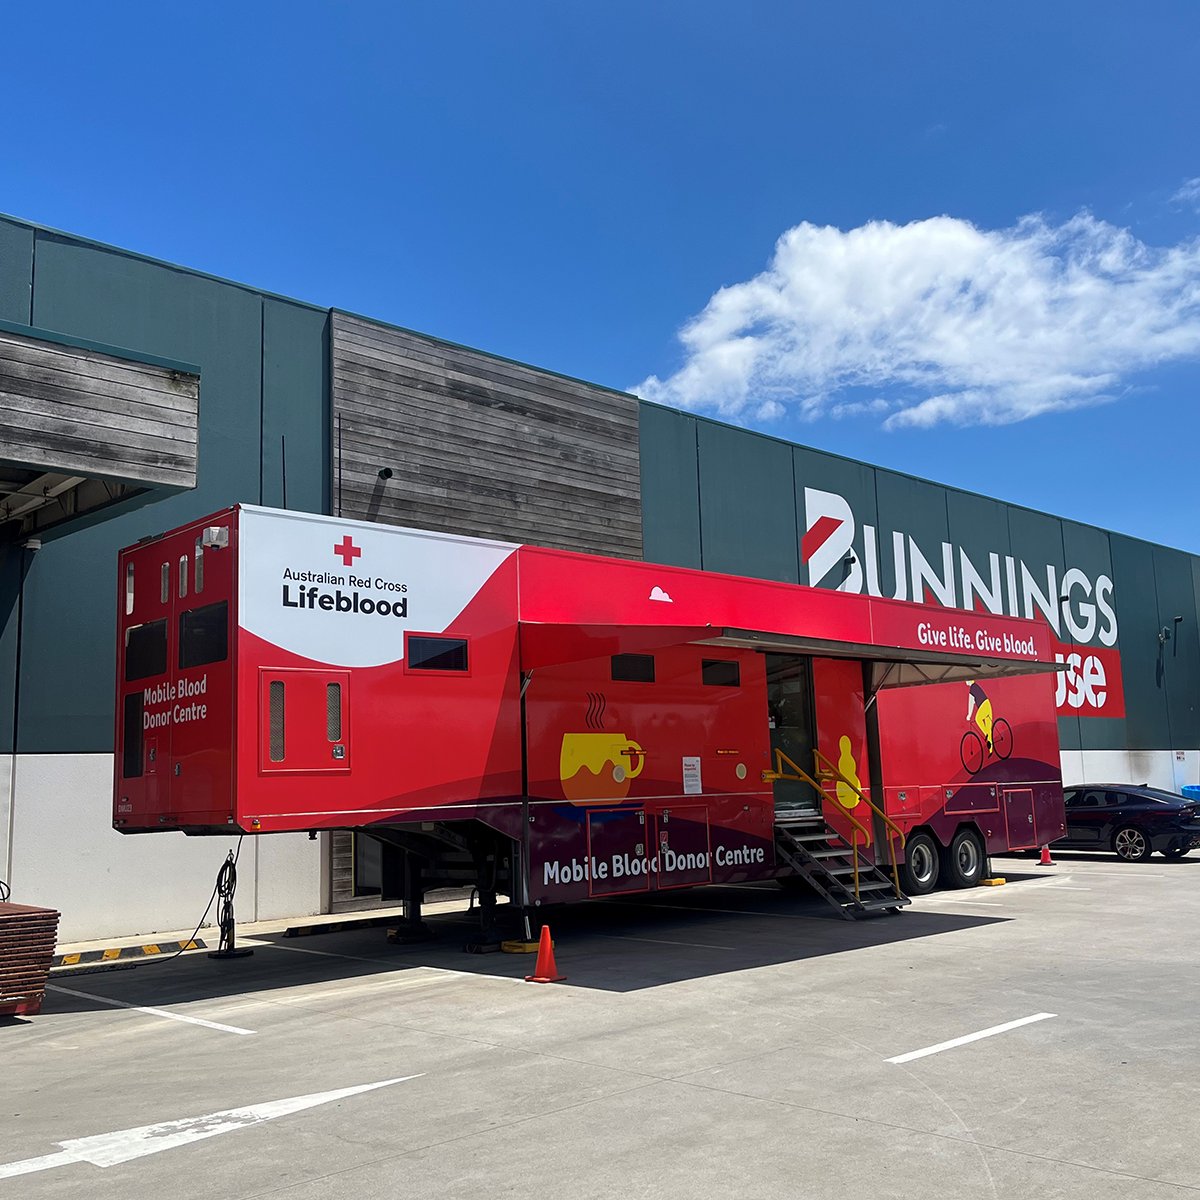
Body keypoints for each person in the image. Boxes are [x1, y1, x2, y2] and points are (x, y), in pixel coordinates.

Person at [966, 679, 994, 755]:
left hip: (983, 706)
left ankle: (986, 734)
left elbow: (971, 703)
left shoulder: (972, 688)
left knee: (978, 719)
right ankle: (991, 750)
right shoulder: (976, 687)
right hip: (988, 704)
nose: (965, 682)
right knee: (989, 728)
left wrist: (969, 715)